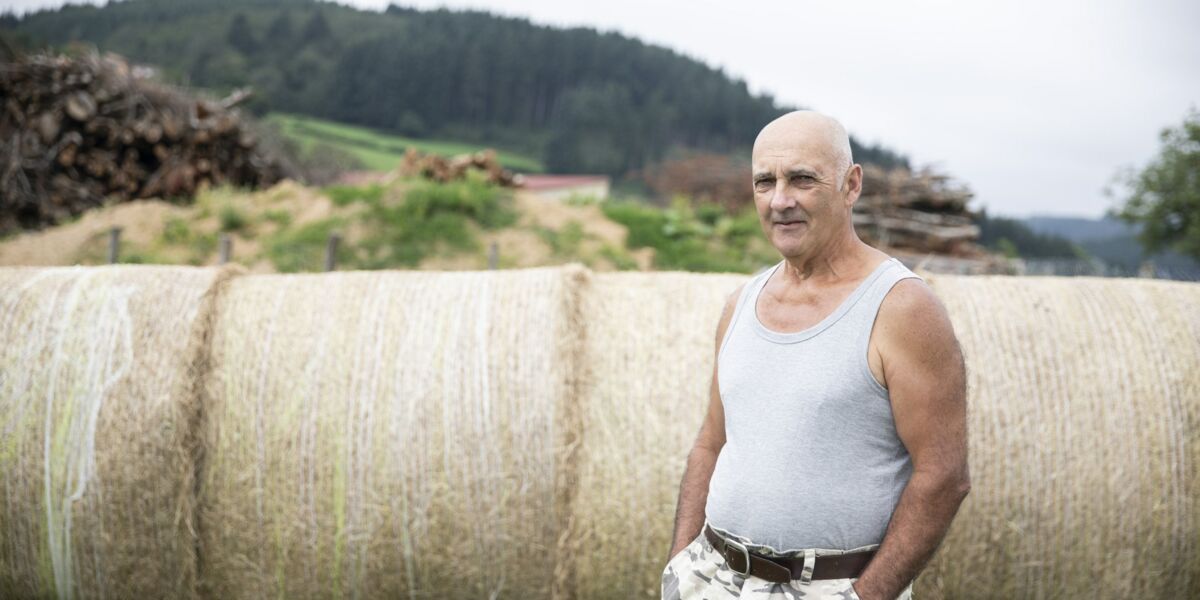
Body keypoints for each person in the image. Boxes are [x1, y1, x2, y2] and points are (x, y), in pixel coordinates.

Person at [661, 111, 971, 600]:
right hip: (711, 579)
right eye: (765, 182)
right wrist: (680, 567)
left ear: (851, 185)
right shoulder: (740, 304)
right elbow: (710, 442)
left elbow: (944, 475)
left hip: (830, 588)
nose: (781, 200)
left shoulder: (902, 308)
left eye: (802, 179)